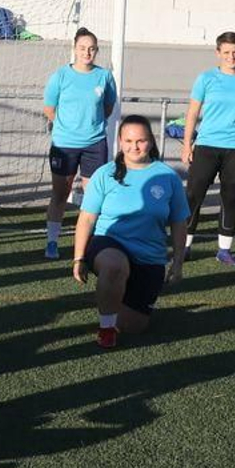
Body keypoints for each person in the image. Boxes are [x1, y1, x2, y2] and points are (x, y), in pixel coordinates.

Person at [70, 115, 188, 348]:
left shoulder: (167, 177)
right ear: (120, 142)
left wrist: (178, 262)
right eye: (129, 141)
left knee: (133, 327)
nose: (134, 146)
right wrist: (79, 258)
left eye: (141, 141)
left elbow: (179, 223)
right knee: (114, 267)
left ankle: (115, 294)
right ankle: (106, 329)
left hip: (149, 256)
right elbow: (86, 219)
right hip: (109, 244)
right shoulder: (105, 174)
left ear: (151, 142)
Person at [180, 31, 235, 266]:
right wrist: (187, 144)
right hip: (207, 145)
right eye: (226, 52)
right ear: (218, 53)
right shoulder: (205, 79)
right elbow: (193, 113)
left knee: (230, 198)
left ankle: (224, 250)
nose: (231, 57)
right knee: (193, 196)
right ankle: (183, 246)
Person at [43, 28, 118, 259]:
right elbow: (49, 108)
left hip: (94, 144)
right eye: (83, 48)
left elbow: (107, 107)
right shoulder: (61, 76)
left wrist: (90, 127)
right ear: (75, 49)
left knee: (94, 195)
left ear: (97, 51)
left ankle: (90, 243)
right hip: (64, 144)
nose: (87, 52)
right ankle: (52, 242)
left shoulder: (104, 77)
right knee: (60, 193)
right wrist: (68, 128)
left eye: (92, 48)